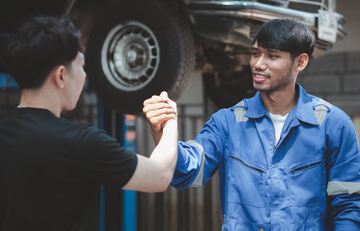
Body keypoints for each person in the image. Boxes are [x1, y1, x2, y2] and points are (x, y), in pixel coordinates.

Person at [143, 18, 360, 230]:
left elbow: (348, 205)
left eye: (272, 56)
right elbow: (188, 172)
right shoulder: (228, 123)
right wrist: (163, 135)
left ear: (300, 62)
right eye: (255, 54)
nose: (258, 64)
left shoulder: (333, 125)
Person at [0, 16, 178, 231]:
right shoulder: (78, 141)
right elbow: (159, 176)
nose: (84, 75)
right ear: (61, 76)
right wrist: (169, 121)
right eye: (82, 66)